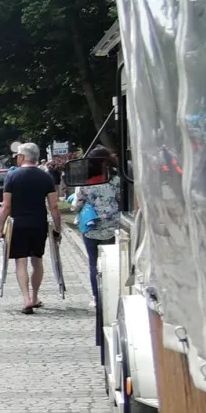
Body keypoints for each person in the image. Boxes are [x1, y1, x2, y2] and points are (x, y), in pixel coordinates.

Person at [0, 142, 62, 314]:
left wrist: (0, 229)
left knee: (21, 262)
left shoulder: (12, 177)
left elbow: (6, 206)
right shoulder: (46, 177)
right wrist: (58, 228)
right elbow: (54, 205)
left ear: (21, 157)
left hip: (18, 224)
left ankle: (26, 298)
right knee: (37, 260)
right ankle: (35, 296)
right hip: (39, 223)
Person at [71, 145, 123, 349]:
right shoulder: (117, 180)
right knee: (112, 262)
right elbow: (122, 200)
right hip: (112, 227)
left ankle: (97, 297)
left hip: (91, 228)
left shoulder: (84, 182)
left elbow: (76, 205)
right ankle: (114, 292)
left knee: (94, 263)